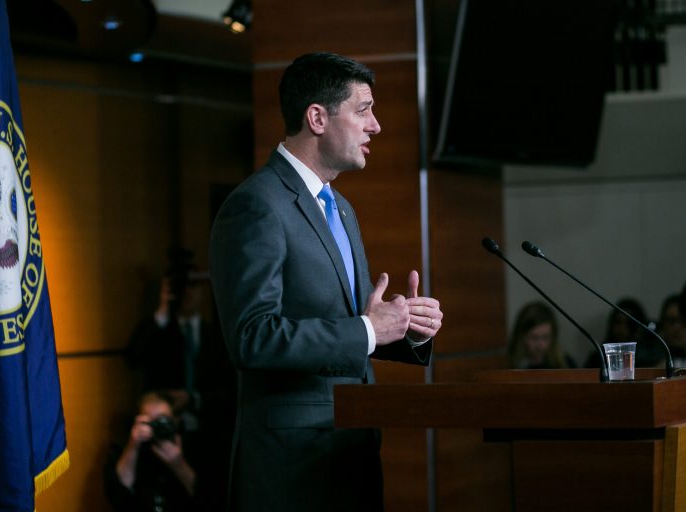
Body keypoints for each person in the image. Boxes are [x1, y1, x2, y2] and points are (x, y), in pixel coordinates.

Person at [208, 52, 443, 512]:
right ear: (316, 117)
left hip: (351, 450)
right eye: (363, 110)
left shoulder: (340, 206)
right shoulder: (257, 205)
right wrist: (371, 329)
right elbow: (252, 337)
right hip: (292, 468)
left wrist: (400, 327)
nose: (375, 126)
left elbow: (346, 325)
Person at [125, 247, 235, 511]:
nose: (187, 292)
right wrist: (162, 310)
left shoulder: (217, 336)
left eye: (194, 286)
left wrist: (194, 399)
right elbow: (132, 358)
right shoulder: (159, 331)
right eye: (182, 287)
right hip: (161, 436)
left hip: (208, 438)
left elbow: (232, 390)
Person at [103, 390, 204, 511]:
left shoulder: (193, 447)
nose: (159, 426)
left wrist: (179, 465)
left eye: (164, 420)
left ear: (175, 420)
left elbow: (208, 498)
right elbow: (118, 495)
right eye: (152, 422)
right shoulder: (125, 449)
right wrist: (133, 445)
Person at [583, 297, 661, 368]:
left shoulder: (651, 356)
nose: (622, 328)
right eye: (618, 322)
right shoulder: (598, 358)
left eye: (629, 323)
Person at [508, 301, 576, 369]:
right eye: (534, 338)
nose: (540, 345)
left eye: (545, 337)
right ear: (522, 336)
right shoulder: (508, 363)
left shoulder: (566, 363)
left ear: (553, 336)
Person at [655, 293, 686, 368]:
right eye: (671, 321)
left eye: (684, 321)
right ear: (662, 324)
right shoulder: (648, 364)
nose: (676, 328)